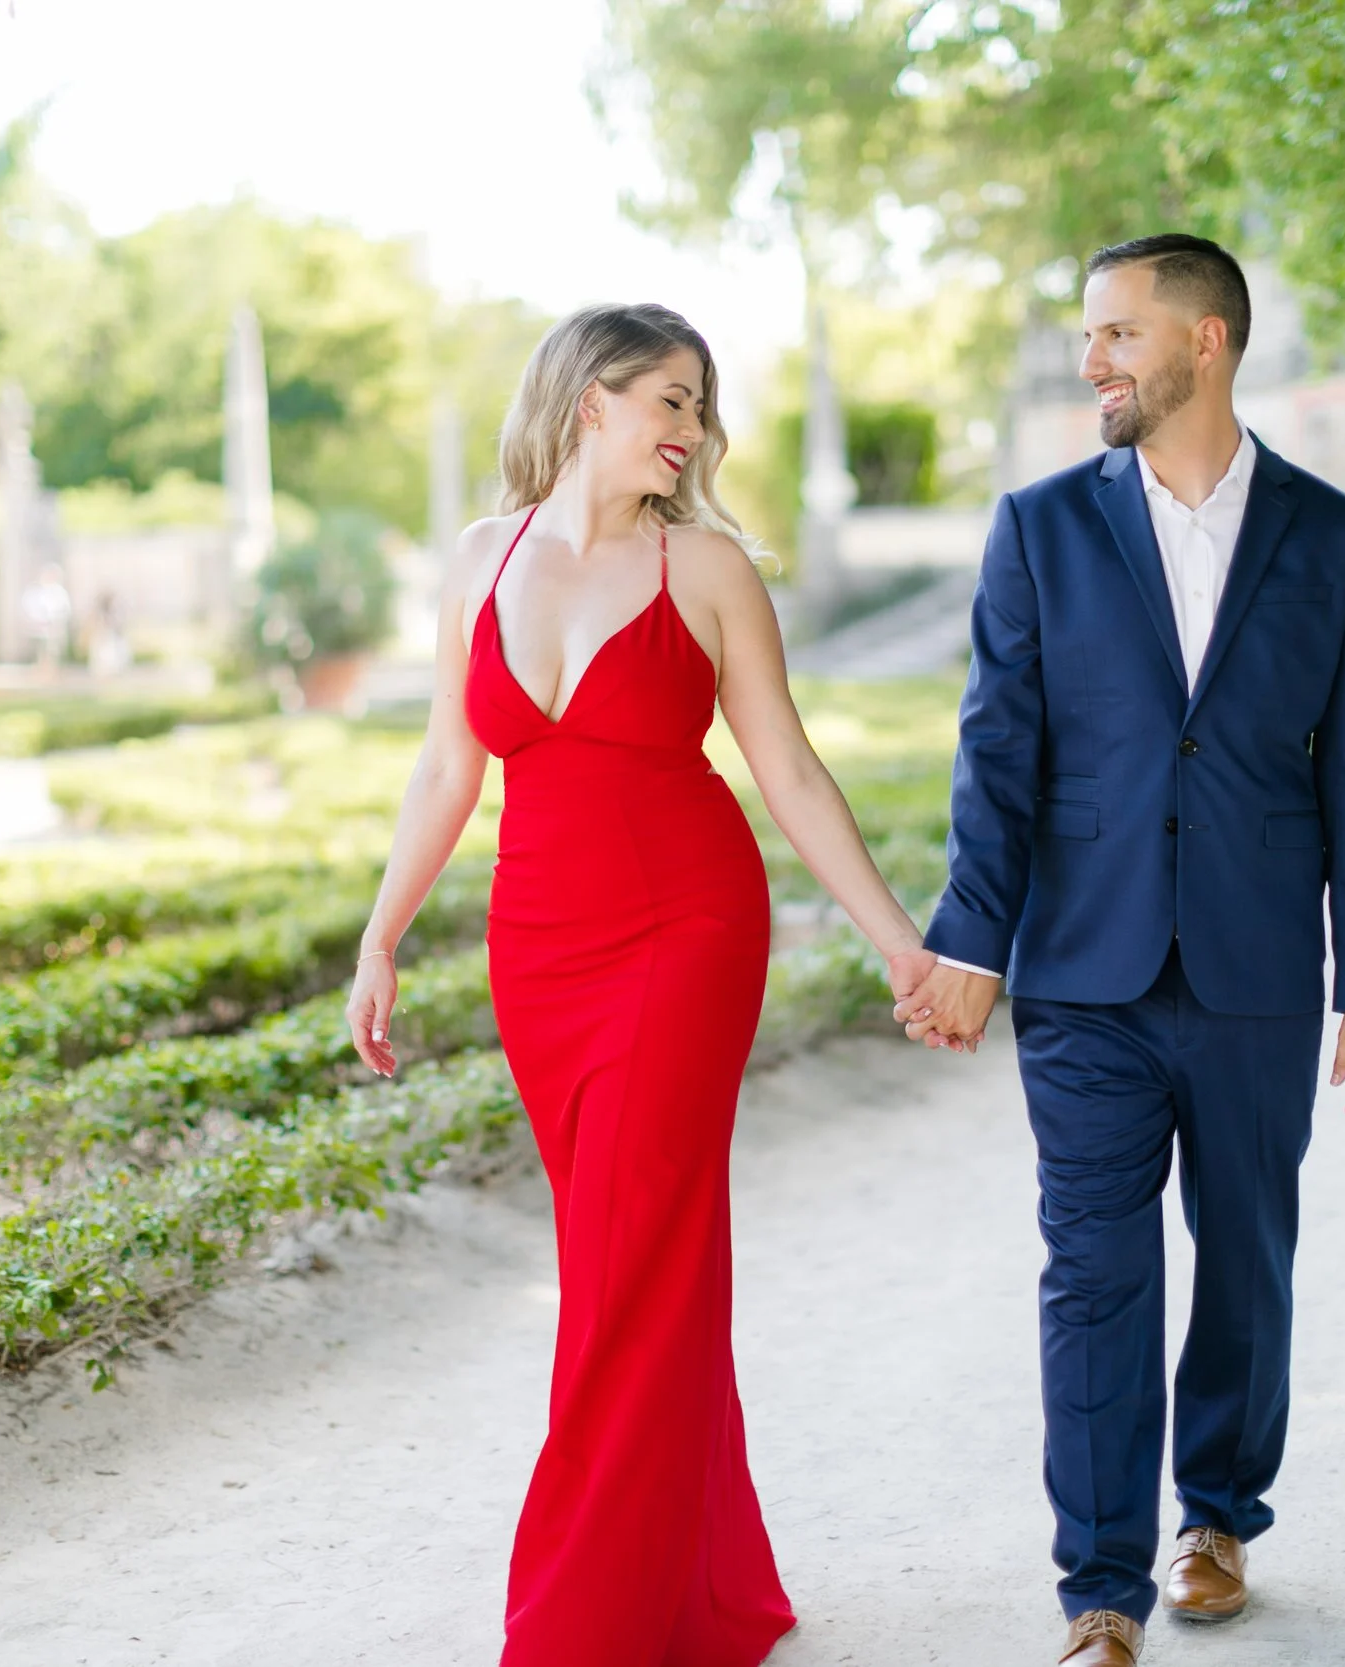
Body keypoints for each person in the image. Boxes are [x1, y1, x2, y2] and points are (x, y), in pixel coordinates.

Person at [345, 303, 936, 1666]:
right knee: (637, 1262)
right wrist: (382, 936)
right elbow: (448, 765)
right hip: (539, 946)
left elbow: (786, 769)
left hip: (685, 930)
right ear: (586, 401)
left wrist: (896, 940)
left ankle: (585, 1619)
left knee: (629, 1267)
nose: (692, 430)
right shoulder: (478, 560)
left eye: (698, 408)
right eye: (669, 400)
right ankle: (709, 1576)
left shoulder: (712, 569)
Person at [892, 235, 1345, 1667]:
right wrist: (970, 947)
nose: (1094, 360)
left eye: (1120, 333)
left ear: (1209, 341)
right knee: (1094, 1270)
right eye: (1091, 335)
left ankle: (1218, 1516)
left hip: (1255, 967)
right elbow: (997, 759)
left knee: (1245, 1250)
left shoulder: (1338, 541)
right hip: (1082, 974)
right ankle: (1101, 1586)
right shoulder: (1040, 528)